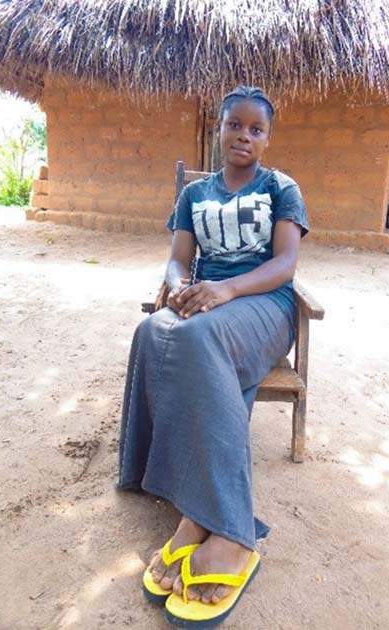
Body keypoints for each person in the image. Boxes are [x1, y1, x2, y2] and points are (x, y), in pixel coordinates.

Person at [117, 86, 309, 628]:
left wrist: (225, 291)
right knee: (152, 330)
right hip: (205, 305)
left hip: (262, 306)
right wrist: (180, 286)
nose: (244, 136)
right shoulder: (194, 195)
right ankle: (197, 515)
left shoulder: (280, 187)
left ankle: (228, 534)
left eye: (256, 129)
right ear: (218, 130)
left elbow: (286, 265)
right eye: (234, 125)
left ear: (267, 139)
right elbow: (178, 261)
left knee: (201, 342)